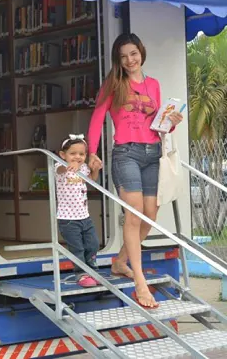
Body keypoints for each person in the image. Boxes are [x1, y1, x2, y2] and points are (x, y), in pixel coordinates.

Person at [87, 33, 183, 308]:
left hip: (152, 153)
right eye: (123, 56)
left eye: (133, 54)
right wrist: (92, 151)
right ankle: (140, 284)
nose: (129, 60)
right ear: (119, 60)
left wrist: (172, 122)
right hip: (126, 153)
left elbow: (159, 125)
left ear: (141, 52)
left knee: (150, 214)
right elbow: (97, 118)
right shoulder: (114, 84)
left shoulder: (153, 85)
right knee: (134, 215)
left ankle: (120, 261)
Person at [55, 134, 102, 287]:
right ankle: (81, 274)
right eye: (73, 153)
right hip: (68, 219)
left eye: (81, 154)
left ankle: (92, 270)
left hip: (84, 216)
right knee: (77, 248)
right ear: (63, 155)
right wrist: (68, 165)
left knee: (93, 244)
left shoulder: (83, 168)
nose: (78, 157)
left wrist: (95, 170)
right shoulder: (59, 166)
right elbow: (60, 170)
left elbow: (91, 181)